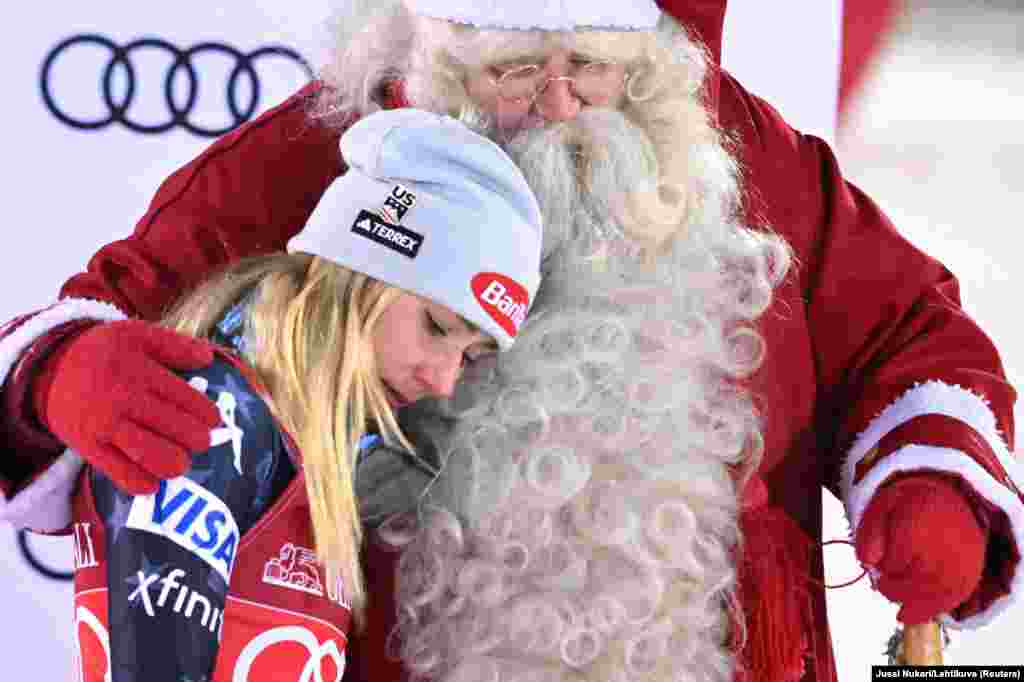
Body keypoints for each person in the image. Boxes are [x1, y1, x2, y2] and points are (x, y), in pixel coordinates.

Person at [0, 0, 1021, 680]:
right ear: (436, 62)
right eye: (519, 68)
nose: (559, 104)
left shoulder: (746, 164)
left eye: (590, 66)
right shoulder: (322, 156)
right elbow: (106, 310)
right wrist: (64, 377)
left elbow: (907, 333)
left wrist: (926, 488)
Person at [59, 107, 544, 682]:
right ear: (359, 273)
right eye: (436, 327)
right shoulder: (217, 414)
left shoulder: (311, 456)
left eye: (470, 356)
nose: (442, 380)